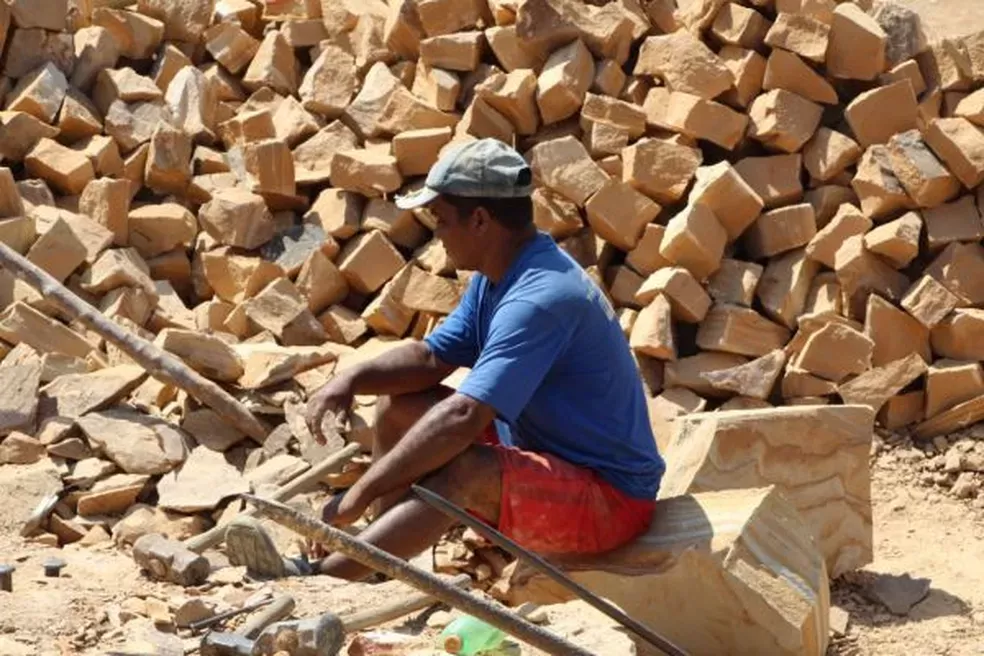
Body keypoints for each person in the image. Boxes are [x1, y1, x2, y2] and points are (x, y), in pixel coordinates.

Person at [224, 138, 666, 581]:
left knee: (463, 470)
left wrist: (359, 492)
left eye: (441, 220)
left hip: (609, 502)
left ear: (479, 220)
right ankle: (382, 557)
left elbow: (465, 415)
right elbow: (432, 356)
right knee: (400, 408)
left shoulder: (542, 298)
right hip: (543, 451)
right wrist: (351, 380)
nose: (436, 234)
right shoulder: (502, 274)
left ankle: (320, 575)